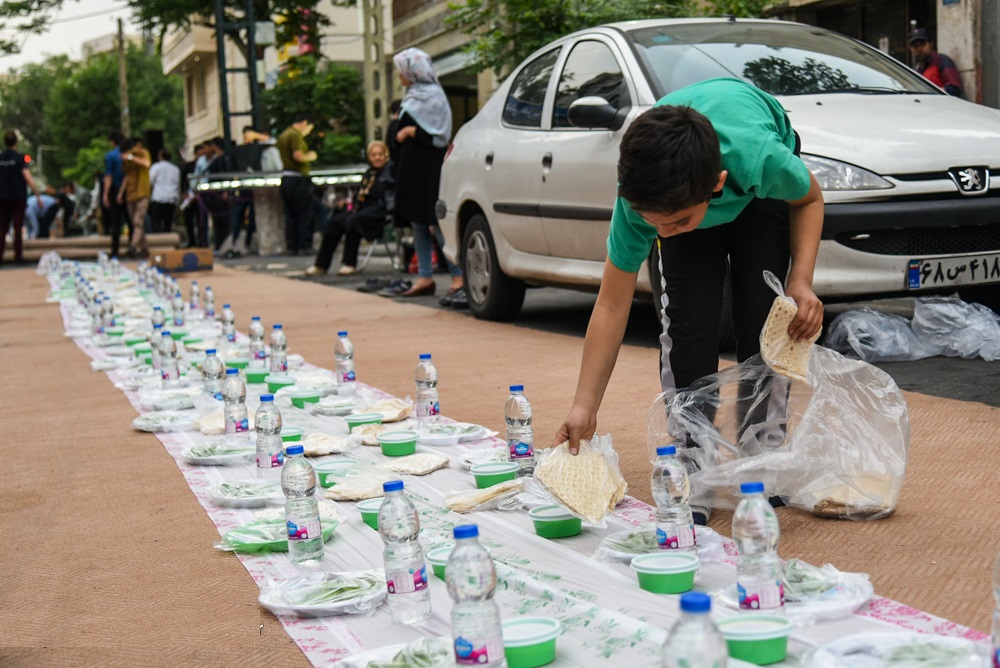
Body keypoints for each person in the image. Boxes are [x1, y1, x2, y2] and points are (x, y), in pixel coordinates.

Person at [554, 79, 825, 522]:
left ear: (716, 185)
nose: (663, 233)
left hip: (759, 194)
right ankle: (692, 462)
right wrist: (585, 405)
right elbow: (610, 305)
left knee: (764, 321)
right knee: (688, 323)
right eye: (654, 224)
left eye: (676, 222)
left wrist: (801, 280)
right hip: (684, 187)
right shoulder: (644, 203)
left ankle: (762, 457)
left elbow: (810, 197)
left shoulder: (761, 159)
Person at [387, 47, 464, 302]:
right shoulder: (411, 97)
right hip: (411, 171)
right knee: (418, 222)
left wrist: (411, 133)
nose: (399, 76)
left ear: (413, 71)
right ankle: (425, 276)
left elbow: (439, 137)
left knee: (437, 222)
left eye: (402, 71)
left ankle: (457, 275)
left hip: (430, 171)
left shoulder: (434, 97)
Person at [305, 140, 393, 276]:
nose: (377, 157)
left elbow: (388, 197)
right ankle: (321, 264)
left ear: (385, 155)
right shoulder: (368, 174)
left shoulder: (390, 172)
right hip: (363, 209)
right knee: (334, 221)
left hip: (380, 210)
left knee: (354, 221)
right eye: (373, 155)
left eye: (380, 154)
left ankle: (350, 263)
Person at [277, 114, 319, 255]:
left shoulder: (284, 134)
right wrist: (310, 156)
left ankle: (292, 245)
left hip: (286, 178)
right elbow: (298, 156)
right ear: (304, 123)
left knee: (291, 215)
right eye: (309, 129)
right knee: (305, 213)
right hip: (297, 179)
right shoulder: (294, 135)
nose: (308, 132)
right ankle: (304, 245)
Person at [0, 130, 42, 264]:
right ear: (16, 143)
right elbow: (27, 176)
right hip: (18, 197)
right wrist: (37, 194)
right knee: (18, 227)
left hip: (2, 198)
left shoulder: (0, 158)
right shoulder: (20, 158)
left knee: (2, 227)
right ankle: (18, 256)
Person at [117, 136, 151, 258]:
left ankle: (133, 246)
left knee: (138, 221)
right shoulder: (127, 160)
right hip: (131, 194)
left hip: (142, 193)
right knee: (137, 224)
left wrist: (131, 157)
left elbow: (146, 164)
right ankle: (144, 249)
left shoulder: (143, 154)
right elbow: (127, 176)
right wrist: (121, 193)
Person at [908, 28, 962, 97]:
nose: (919, 49)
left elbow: (954, 89)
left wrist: (932, 93)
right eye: (915, 46)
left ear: (930, 45)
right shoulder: (916, 70)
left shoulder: (941, 60)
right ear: (910, 49)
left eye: (922, 44)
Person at [102, 131, 127, 258]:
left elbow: (109, 176)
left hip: (115, 190)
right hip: (129, 190)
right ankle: (132, 249)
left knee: (116, 223)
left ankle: (115, 251)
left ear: (113, 142)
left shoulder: (111, 156)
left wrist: (105, 194)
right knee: (131, 221)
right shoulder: (128, 154)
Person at [148, 149, 181, 234]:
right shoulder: (175, 169)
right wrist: (177, 201)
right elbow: (177, 185)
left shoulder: (156, 167)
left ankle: (158, 240)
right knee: (168, 223)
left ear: (160, 156)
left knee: (155, 222)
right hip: (171, 198)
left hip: (158, 197)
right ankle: (167, 241)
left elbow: (149, 181)